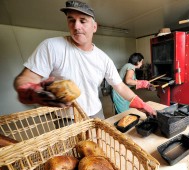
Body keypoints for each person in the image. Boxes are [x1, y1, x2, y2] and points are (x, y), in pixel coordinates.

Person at [13, 0, 156, 119]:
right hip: (66, 118)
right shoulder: (51, 46)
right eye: (71, 20)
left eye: (82, 21)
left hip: (96, 114)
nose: (76, 26)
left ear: (94, 26)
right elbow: (26, 78)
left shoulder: (103, 58)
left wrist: (141, 104)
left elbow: (120, 86)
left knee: (100, 150)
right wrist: (29, 91)